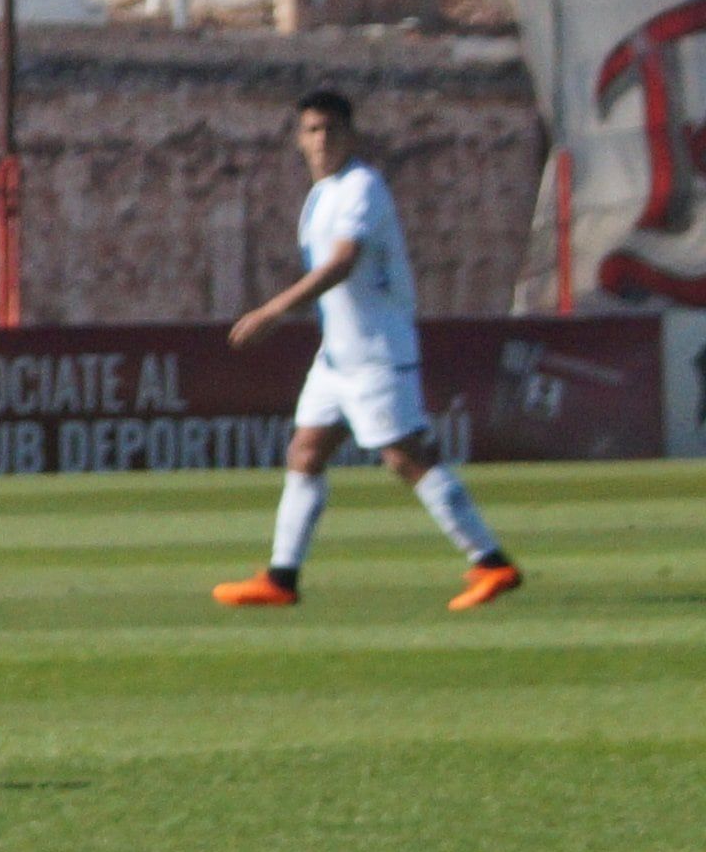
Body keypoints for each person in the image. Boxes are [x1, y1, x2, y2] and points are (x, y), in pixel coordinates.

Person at [212, 88, 520, 612]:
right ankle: (281, 578)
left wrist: (273, 311)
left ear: (351, 135)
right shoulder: (320, 195)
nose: (322, 139)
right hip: (337, 358)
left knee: (405, 457)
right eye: (312, 130)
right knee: (306, 452)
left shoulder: (363, 186)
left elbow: (343, 262)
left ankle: (491, 562)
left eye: (331, 129)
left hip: (376, 354)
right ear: (298, 139)